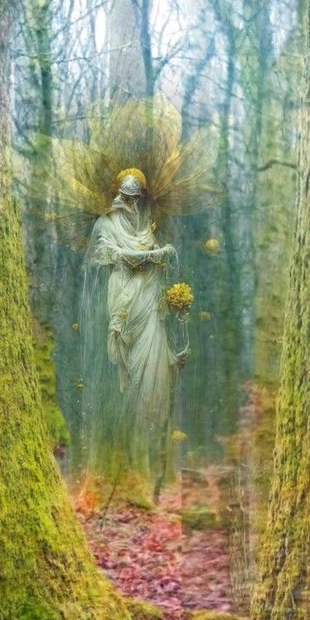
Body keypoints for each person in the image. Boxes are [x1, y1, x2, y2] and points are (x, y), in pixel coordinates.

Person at [89, 168, 178, 498]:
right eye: (124, 198)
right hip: (124, 298)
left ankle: (152, 459)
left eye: (133, 199)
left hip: (148, 301)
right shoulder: (107, 224)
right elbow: (117, 258)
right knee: (127, 372)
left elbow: (153, 261)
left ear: (139, 200)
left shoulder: (145, 222)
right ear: (117, 196)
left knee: (153, 369)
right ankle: (124, 463)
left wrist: (158, 255)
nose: (128, 204)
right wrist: (152, 255)